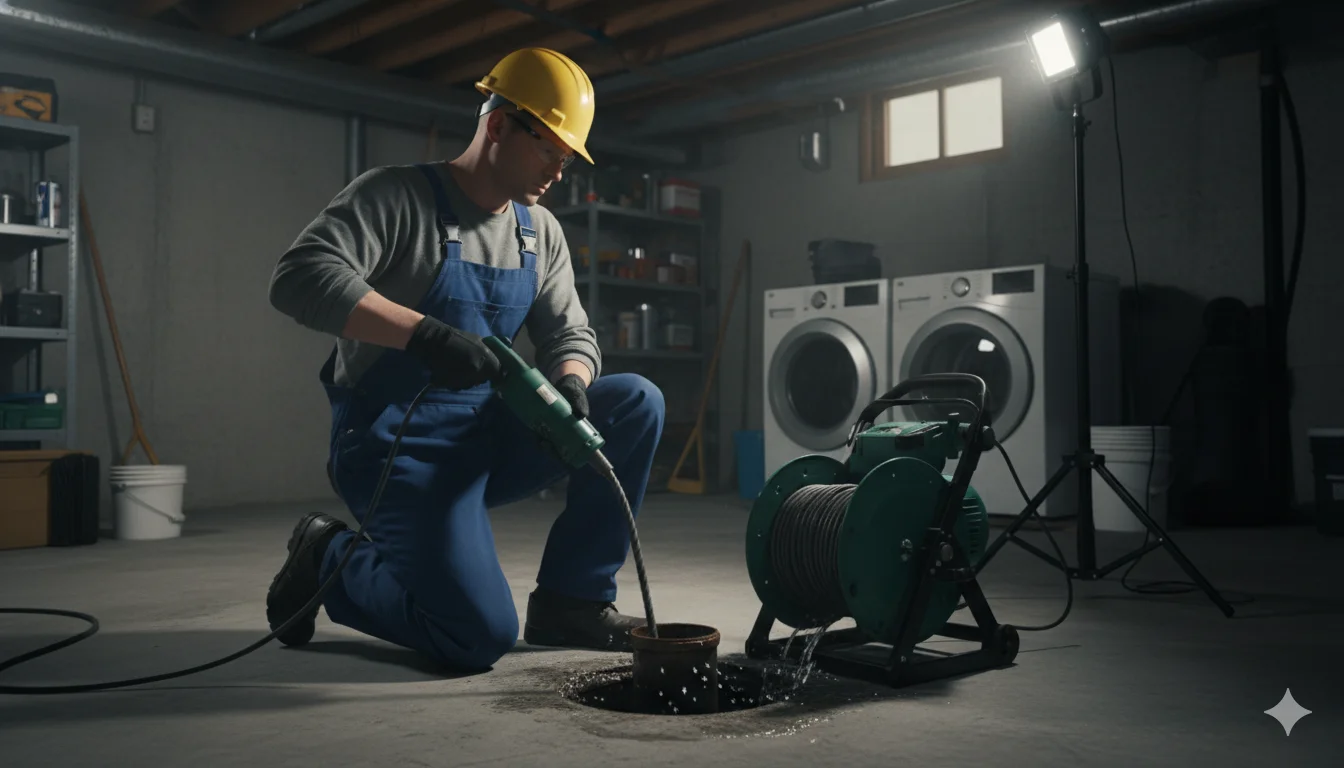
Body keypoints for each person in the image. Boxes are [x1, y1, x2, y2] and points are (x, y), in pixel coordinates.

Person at [264, 48, 665, 671]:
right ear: (499, 124)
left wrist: (572, 383)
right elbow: (298, 277)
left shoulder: (540, 231)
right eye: (550, 150)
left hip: (487, 435)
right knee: (474, 636)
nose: (560, 172)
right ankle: (329, 557)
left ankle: (572, 601)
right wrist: (422, 335)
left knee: (636, 399)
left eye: (568, 158)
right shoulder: (396, 198)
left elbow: (570, 333)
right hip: (396, 448)